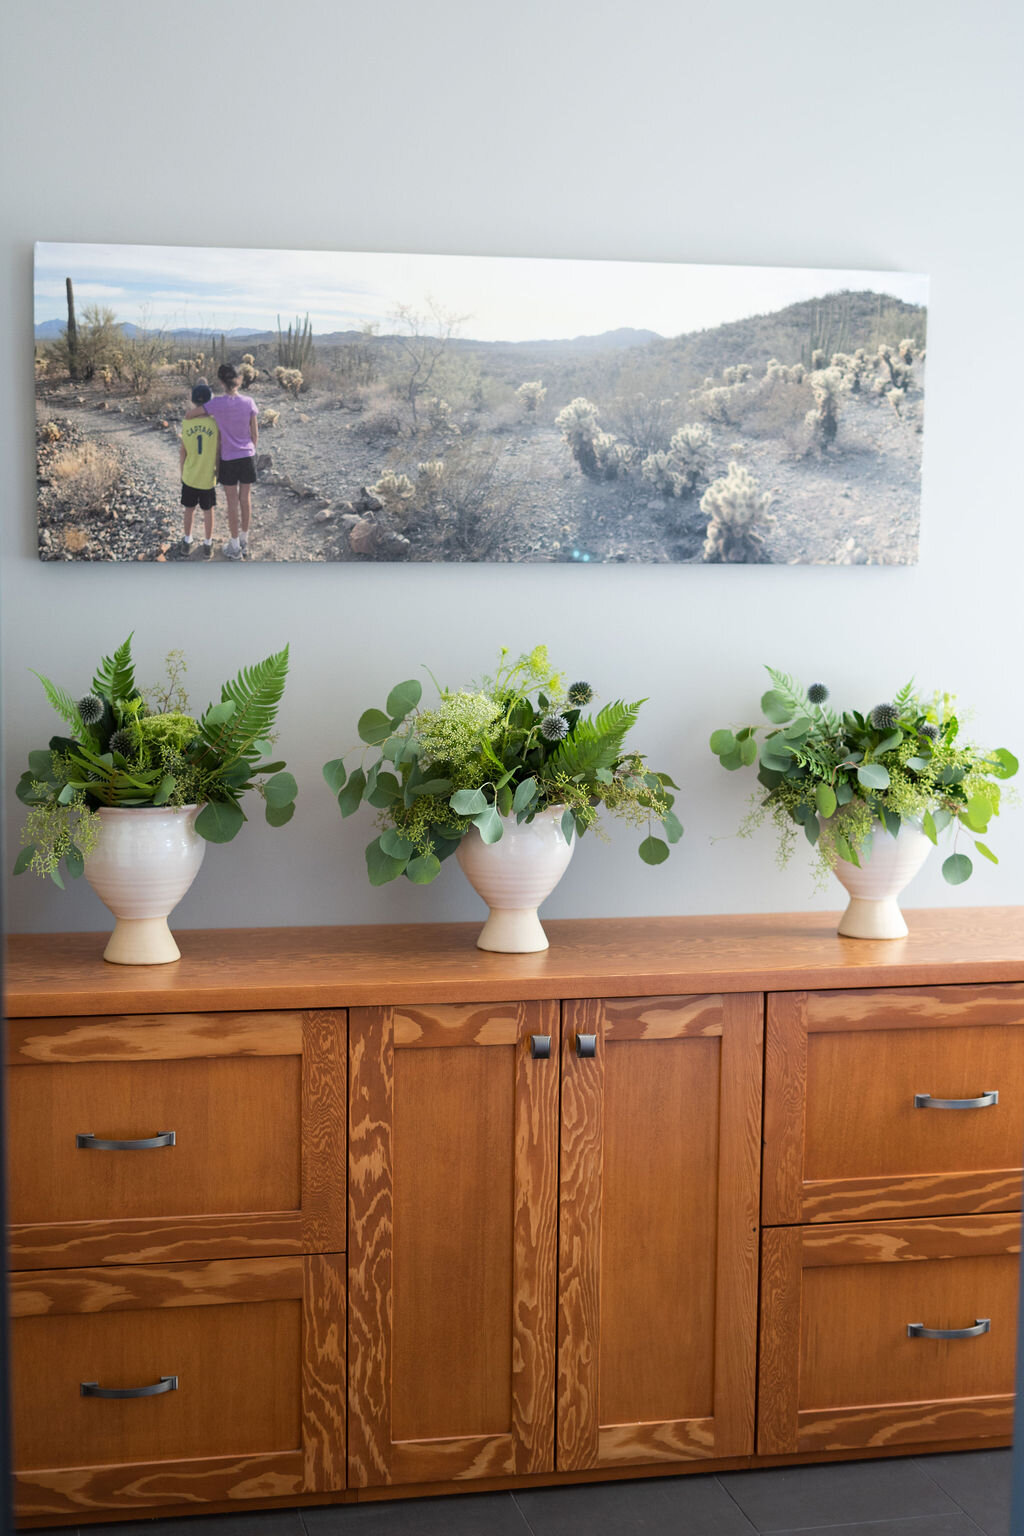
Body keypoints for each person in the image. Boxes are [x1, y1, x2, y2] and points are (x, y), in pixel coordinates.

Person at [204, 362, 259, 560]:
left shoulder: (216, 404)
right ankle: (244, 540)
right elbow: (255, 435)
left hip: (227, 458)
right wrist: (250, 449)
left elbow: (194, 413)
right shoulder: (249, 402)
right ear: (240, 380)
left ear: (220, 382)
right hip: (247, 456)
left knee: (232, 502)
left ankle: (234, 545)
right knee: (246, 499)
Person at [178, 379, 219, 558]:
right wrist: (217, 469)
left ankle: (187, 540)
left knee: (189, 509)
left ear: (193, 401)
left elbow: (183, 451)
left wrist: (182, 472)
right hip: (207, 477)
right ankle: (208, 544)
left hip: (190, 476)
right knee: (208, 510)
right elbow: (218, 450)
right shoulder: (215, 425)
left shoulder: (186, 424)